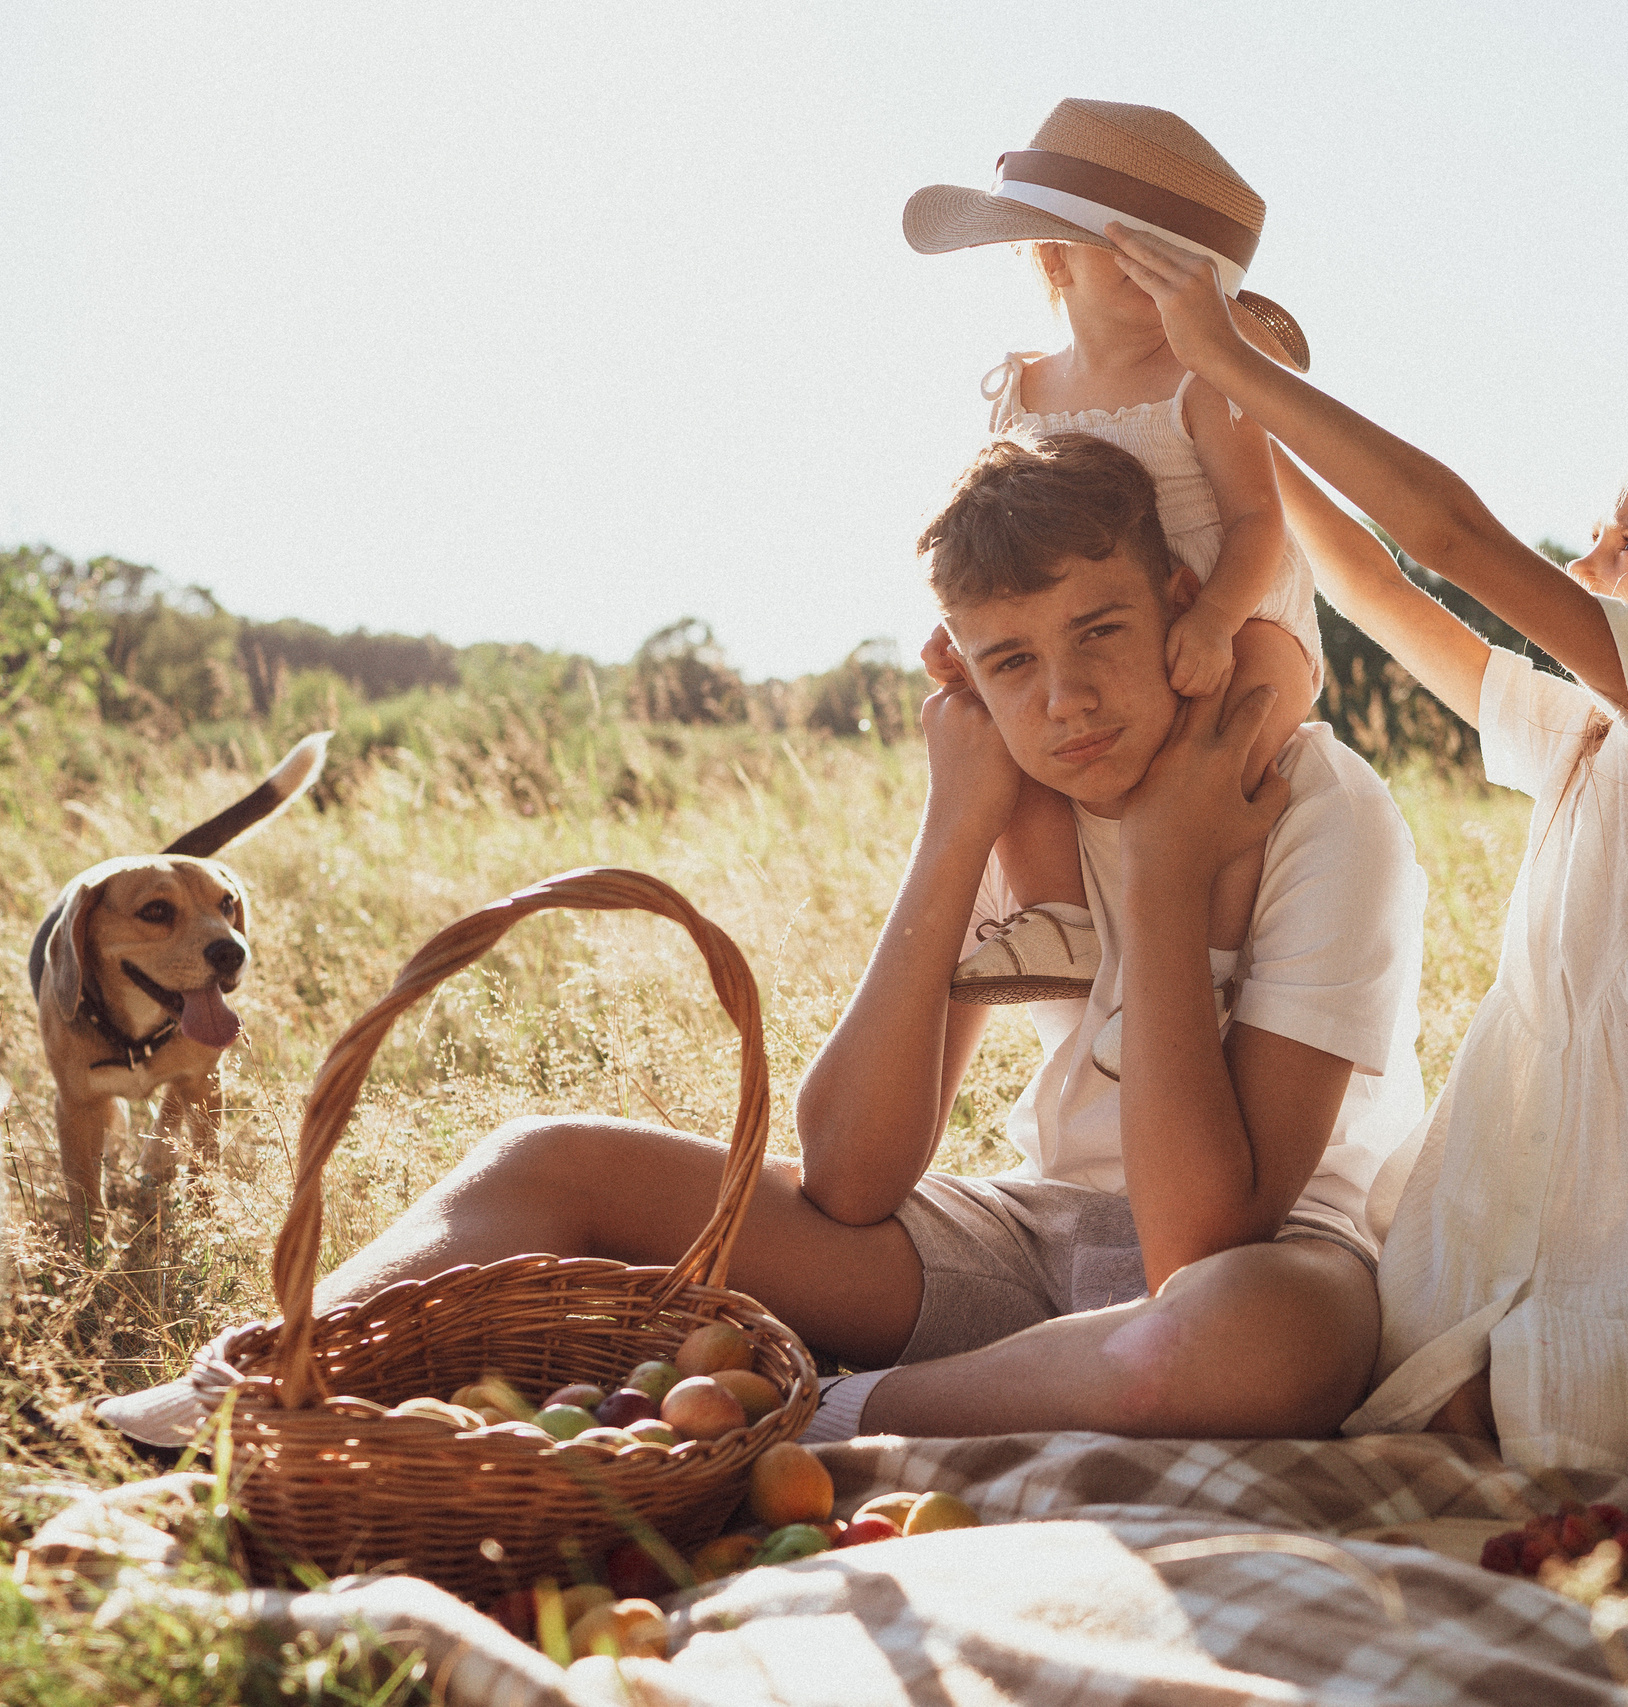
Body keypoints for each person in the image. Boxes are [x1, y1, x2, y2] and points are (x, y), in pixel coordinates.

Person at [99, 433, 1424, 1448]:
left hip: (1273, 1258)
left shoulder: (1317, 805)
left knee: (1237, 1340)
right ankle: (246, 1389)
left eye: (1100, 631)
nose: (1064, 698)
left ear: (1180, 600)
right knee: (545, 1157)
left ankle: (827, 1419)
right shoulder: (1017, 801)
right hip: (1028, 1238)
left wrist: (1167, 875)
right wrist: (955, 821)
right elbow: (853, 1173)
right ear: (960, 672)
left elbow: (1201, 1233)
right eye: (1009, 661)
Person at [1105, 223, 1628, 1475]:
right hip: (1540, 1133)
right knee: (1428, 1387)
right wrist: (1242, 421)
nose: (1582, 560)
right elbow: (1385, 592)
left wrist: (1242, 361)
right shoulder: (1595, 727)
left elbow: (1454, 541)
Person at [903, 100, 1324, 1069]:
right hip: (1074, 625)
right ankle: (1057, 915)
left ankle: (1208, 949)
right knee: (1006, 726)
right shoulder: (1023, 388)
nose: (1168, 284)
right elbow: (992, 535)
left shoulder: (1204, 378)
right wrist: (965, 635)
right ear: (1055, 259)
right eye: (1138, 256)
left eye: (1192, 268)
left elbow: (1260, 523)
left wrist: (1216, 614)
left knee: (1231, 723)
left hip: (1232, 604)